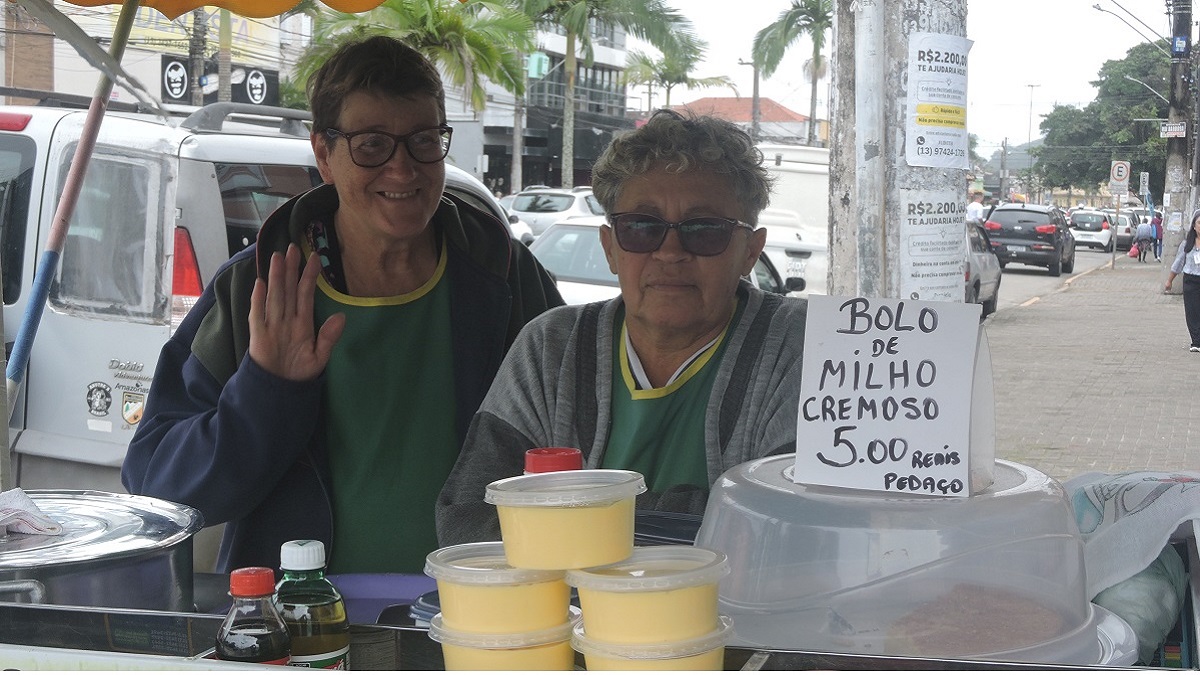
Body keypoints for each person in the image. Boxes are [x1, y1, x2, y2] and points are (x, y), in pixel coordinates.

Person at [122, 36, 563, 574]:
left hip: (485, 621)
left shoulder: (505, 277)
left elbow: (581, 451)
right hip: (300, 623)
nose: (402, 170)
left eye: (423, 140)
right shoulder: (256, 291)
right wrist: (267, 388)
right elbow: (157, 488)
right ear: (324, 155)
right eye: (372, 145)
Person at [436, 109, 809, 546]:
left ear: (751, 250)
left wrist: (575, 525)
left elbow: (797, 531)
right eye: (641, 228)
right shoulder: (550, 347)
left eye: (705, 230)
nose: (670, 252)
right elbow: (467, 519)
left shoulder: (805, 347)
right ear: (610, 247)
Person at [1165, 210, 1200, 352]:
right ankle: (1196, 342)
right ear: (1194, 226)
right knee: (1192, 312)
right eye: (1199, 223)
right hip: (1190, 281)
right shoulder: (1187, 244)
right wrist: (1169, 281)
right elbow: (1178, 264)